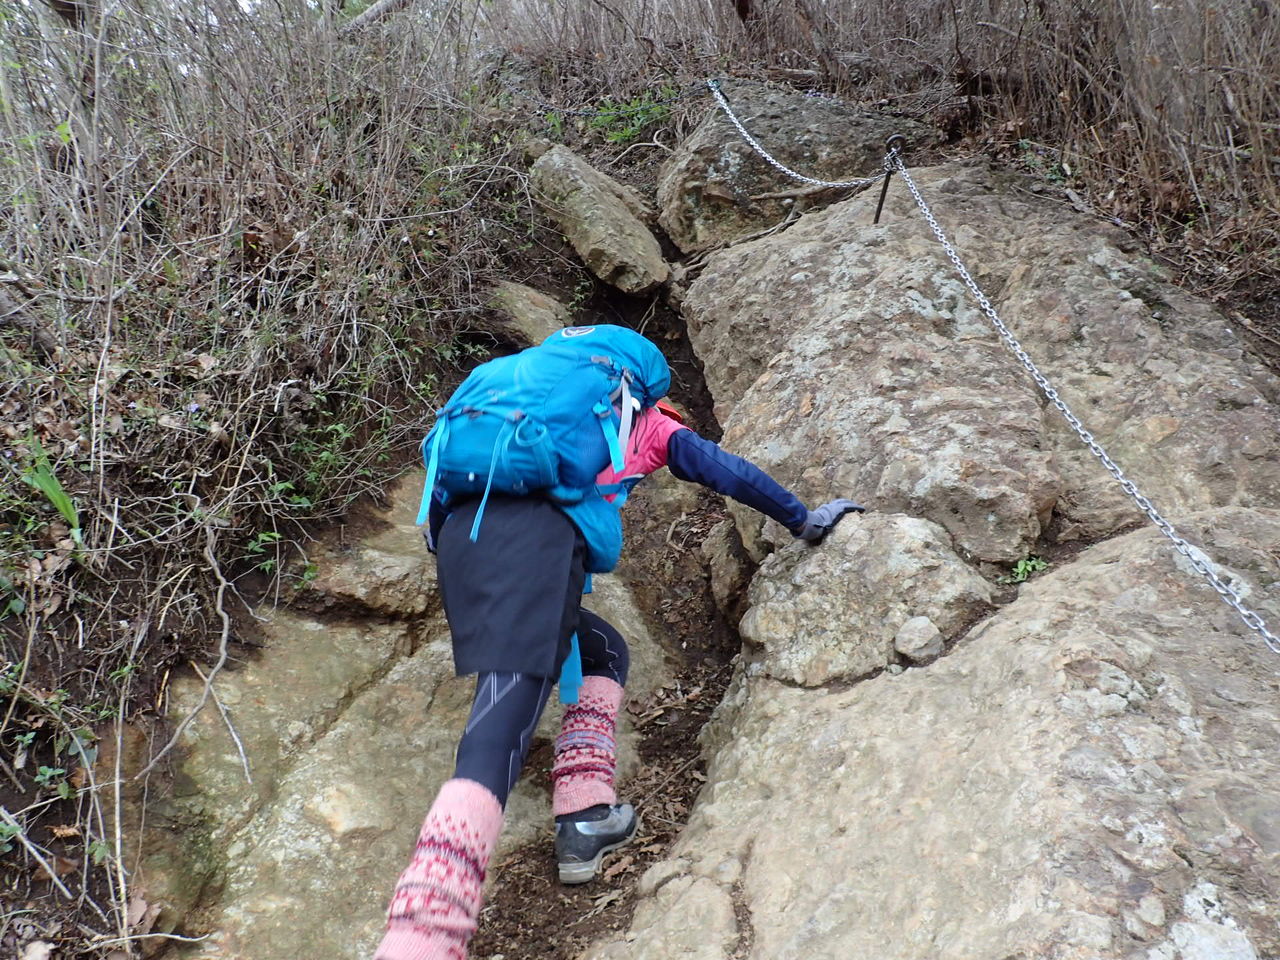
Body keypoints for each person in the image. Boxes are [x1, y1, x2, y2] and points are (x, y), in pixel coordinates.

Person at [374, 329, 861, 960]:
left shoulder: (512, 405)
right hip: (539, 543)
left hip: (464, 542)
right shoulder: (644, 422)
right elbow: (725, 470)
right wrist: (802, 518)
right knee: (498, 728)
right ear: (639, 387)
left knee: (601, 649)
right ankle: (422, 936)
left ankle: (584, 818)